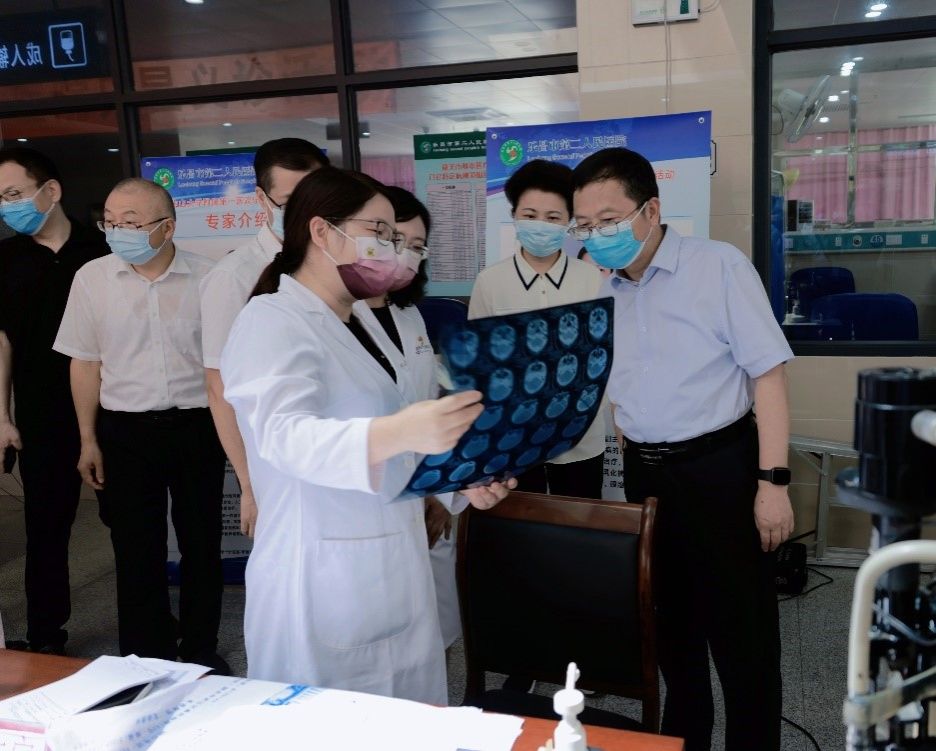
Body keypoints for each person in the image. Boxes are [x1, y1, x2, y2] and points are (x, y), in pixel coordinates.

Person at [220, 166, 512, 703]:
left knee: (411, 721)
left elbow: (399, 436)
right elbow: (284, 437)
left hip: (394, 561)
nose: (391, 249)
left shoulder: (365, 320)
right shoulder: (272, 319)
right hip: (323, 577)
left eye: (395, 237)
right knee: (330, 725)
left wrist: (459, 481)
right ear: (322, 232)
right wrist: (400, 430)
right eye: (379, 232)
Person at [571, 147, 794, 751]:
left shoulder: (717, 266)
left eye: (609, 220)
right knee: (670, 628)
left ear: (651, 209)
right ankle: (685, 739)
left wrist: (773, 483)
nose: (596, 236)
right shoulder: (603, 287)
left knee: (743, 635)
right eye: (585, 226)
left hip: (721, 469)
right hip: (648, 476)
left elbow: (768, 375)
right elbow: (620, 386)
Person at [53, 178, 228, 673]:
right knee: (134, 547)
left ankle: (200, 648)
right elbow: (84, 362)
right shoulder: (92, 278)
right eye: (109, 222)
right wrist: (88, 439)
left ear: (166, 227)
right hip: (125, 431)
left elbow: (223, 367)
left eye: (130, 223)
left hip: (197, 425)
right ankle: (145, 654)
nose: (117, 232)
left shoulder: (209, 278)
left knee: (201, 543)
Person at [0, 147, 109, 655]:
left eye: (14, 194)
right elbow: (1, 343)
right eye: (1, 199)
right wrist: (2, 417)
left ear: (51, 191)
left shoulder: (102, 250)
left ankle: (149, 631)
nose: (8, 207)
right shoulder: (5, 260)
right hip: (41, 416)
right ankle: (47, 638)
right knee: (45, 530)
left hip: (112, 411)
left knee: (130, 524)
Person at [200, 138, 328, 538]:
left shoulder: (337, 261)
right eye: (291, 202)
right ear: (261, 199)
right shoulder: (234, 277)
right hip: (274, 464)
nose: (307, 212)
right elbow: (219, 387)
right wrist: (249, 483)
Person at [353, 185, 461, 651]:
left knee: (435, 634)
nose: (405, 256)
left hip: (427, 497)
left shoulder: (411, 318)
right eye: (396, 241)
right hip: (367, 509)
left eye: (417, 247)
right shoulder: (337, 318)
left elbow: (433, 407)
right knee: (377, 642)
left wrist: (441, 495)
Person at [468, 159, 606, 499]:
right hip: (513, 442)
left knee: (579, 523)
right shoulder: (490, 282)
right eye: (530, 215)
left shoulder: (593, 279)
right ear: (514, 215)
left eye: (553, 217)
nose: (541, 225)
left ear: (569, 222)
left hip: (579, 440)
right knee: (522, 526)